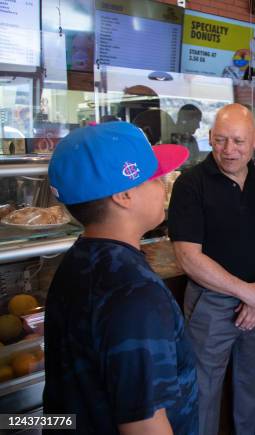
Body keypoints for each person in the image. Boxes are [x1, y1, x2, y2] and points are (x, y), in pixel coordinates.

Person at [43, 122, 198, 434]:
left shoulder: (77, 261)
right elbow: (144, 425)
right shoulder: (136, 295)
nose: (165, 183)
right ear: (125, 195)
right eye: (155, 177)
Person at [167, 103, 255, 435]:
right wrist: (248, 294)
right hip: (211, 304)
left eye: (238, 141)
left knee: (250, 389)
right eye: (220, 140)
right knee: (203, 392)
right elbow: (188, 257)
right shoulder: (191, 184)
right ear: (209, 138)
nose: (229, 150)